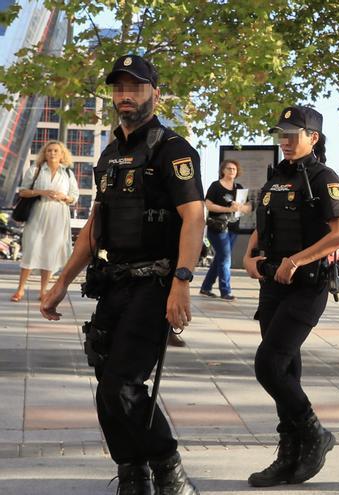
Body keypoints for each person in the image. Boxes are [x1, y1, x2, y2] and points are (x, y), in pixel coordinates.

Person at [40, 54, 203, 495]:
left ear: (155, 92)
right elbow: (94, 230)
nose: (125, 96)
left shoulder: (174, 150)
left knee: (123, 383)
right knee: (105, 382)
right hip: (114, 281)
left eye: (134, 87)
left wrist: (182, 284)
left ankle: (170, 471)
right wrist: (59, 285)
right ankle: (134, 474)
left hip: (157, 283)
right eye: (118, 88)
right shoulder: (110, 154)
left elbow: (194, 219)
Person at [242, 105, 339, 487]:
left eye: (293, 134)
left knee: (268, 365)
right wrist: (248, 255)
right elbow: (261, 223)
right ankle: (290, 455)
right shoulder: (276, 178)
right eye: (281, 134)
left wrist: (296, 261)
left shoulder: (324, 178)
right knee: (286, 371)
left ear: (313, 138)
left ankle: (315, 433)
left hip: (307, 287)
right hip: (272, 286)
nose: (285, 141)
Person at [11, 140, 79, 302]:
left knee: (50, 252)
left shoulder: (68, 174)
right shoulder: (35, 170)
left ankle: (43, 291)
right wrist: (42, 191)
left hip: (58, 215)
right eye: (49, 151)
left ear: (62, 154)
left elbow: (74, 196)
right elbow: (22, 191)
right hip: (38, 212)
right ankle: (20, 289)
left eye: (56, 151)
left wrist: (64, 197)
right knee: (31, 248)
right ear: (44, 153)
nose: (52, 153)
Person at [199, 159, 246, 301]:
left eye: (234, 169)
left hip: (233, 228)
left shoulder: (239, 188)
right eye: (229, 168)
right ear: (223, 170)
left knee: (221, 257)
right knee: (225, 258)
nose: (232, 171)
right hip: (218, 227)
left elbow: (248, 207)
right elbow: (208, 204)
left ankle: (206, 287)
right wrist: (228, 208)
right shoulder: (216, 186)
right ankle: (226, 291)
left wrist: (240, 207)